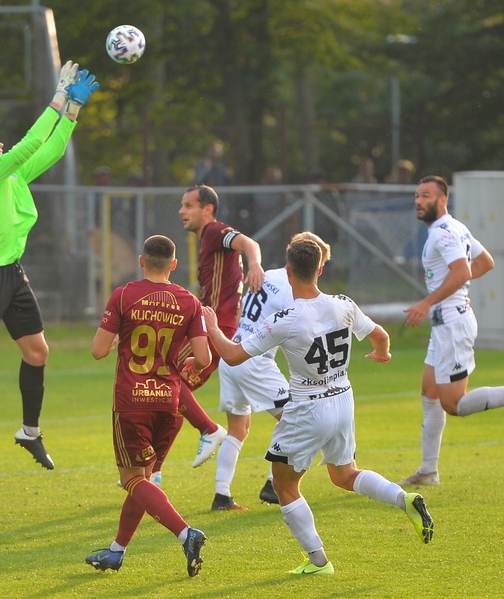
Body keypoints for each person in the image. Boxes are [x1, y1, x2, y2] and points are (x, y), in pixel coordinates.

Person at [203, 237, 434, 575]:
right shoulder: (343, 304)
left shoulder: (286, 318)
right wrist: (382, 353)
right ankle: (405, 499)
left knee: (284, 485)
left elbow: (233, 355)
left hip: (307, 408)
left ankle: (318, 561)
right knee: (344, 474)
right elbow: (381, 336)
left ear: (288, 270)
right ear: (320, 269)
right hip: (343, 400)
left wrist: (212, 329)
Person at [0, 61, 100, 486]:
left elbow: (48, 150)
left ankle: (29, 432)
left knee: (38, 352)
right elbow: (31, 140)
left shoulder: (11, 175)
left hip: (12, 274)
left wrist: (72, 111)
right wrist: (57, 97)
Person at [398, 175, 504, 487]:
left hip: (452, 324)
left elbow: (461, 271)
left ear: (442, 200)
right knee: (429, 393)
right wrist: (456, 291)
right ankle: (428, 471)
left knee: (453, 404)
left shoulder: (443, 233)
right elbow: (485, 262)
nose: (419, 201)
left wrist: (428, 302)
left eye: (426, 195)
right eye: (417, 195)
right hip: (449, 320)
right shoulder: (455, 227)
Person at [86, 235, 210, 577]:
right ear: (174, 264)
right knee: (143, 479)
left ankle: (186, 533)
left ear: (141, 261)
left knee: (132, 480)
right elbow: (204, 357)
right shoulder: (189, 301)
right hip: (169, 405)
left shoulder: (124, 295)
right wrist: (189, 366)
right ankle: (116, 551)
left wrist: (115, 340)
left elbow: (98, 350)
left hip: (132, 402)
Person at [152, 184, 265, 486]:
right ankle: (154, 471)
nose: (181, 211)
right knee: (174, 394)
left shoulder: (216, 231)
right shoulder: (206, 241)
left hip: (217, 330)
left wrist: (254, 263)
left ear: (208, 210)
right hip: (205, 326)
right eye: (182, 205)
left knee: (168, 384)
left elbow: (248, 243)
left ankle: (209, 430)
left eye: (188, 205)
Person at [211, 231, 331, 511]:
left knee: (237, 429)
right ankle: (272, 486)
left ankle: (221, 495)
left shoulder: (270, 275)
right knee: (297, 419)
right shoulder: (294, 289)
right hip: (253, 361)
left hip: (231, 353)